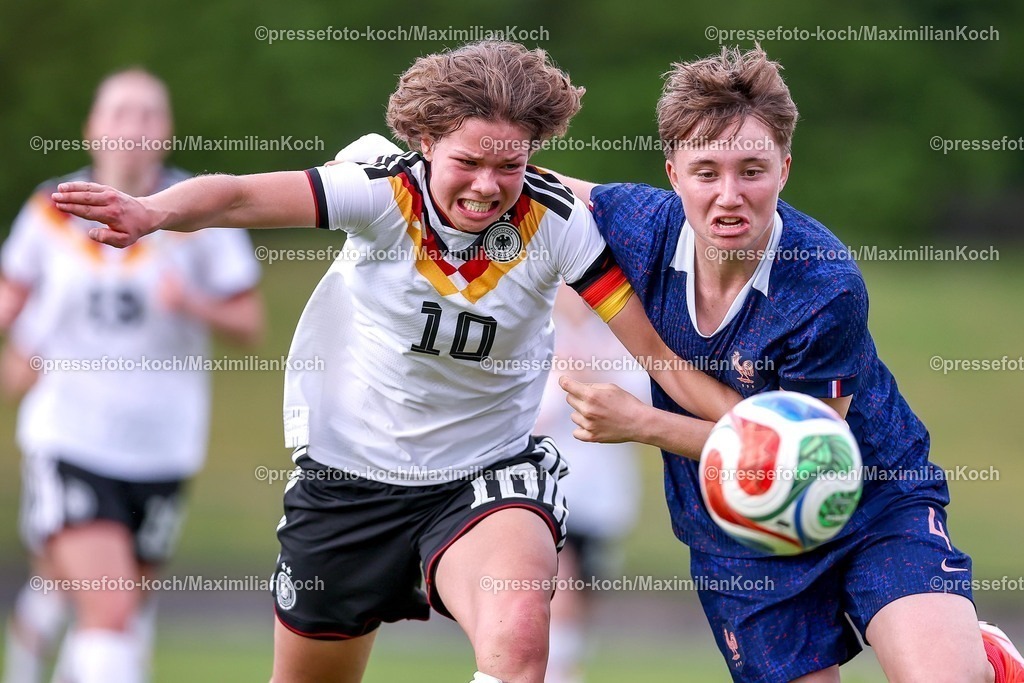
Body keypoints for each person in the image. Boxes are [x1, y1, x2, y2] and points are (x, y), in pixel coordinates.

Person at [50, 41, 740, 683]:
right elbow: (236, 194)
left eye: (510, 165)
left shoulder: (558, 223)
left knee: (520, 638)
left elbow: (659, 359)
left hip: (486, 472)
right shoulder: (380, 192)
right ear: (426, 140)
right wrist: (151, 211)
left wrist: (751, 423)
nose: (487, 185)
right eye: (468, 162)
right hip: (350, 478)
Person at [555, 46, 1024, 682]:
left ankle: (980, 659)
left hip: (869, 499)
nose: (729, 196)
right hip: (741, 534)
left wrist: (644, 423)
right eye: (706, 172)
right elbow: (529, 184)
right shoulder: (641, 224)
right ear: (672, 173)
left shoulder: (823, 282)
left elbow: (806, 460)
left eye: (753, 170)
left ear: (785, 169)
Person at [0, 69, 264, 683]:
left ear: (165, 132)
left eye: (148, 115)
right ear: (94, 128)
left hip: (162, 448)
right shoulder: (50, 209)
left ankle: (42, 641)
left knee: (116, 616)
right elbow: (11, 297)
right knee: (113, 611)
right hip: (71, 437)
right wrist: (18, 348)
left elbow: (248, 321)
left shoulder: (193, 213)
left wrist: (192, 303)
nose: (133, 127)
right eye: (120, 113)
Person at [536, 285, 647, 683]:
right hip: (553, 487)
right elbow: (535, 415)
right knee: (556, 579)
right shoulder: (540, 335)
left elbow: (643, 399)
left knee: (583, 587)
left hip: (602, 494)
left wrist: (591, 374)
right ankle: (557, 671)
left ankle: (564, 663)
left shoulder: (618, 339)